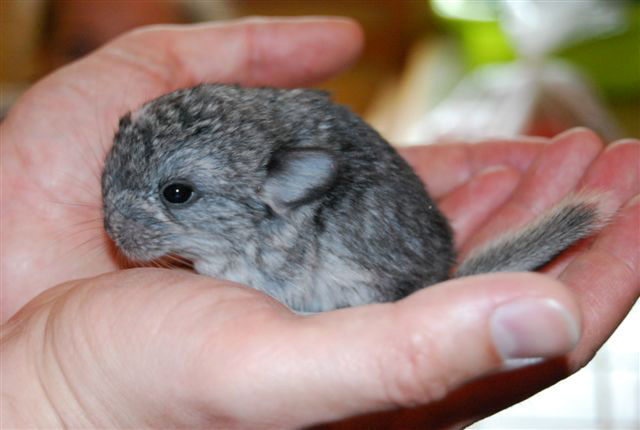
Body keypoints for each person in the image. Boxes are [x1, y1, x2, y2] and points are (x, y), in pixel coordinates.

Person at [1, 17, 637, 429]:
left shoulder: (291, 193)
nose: (121, 226)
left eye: (176, 195)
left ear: (282, 190)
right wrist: (55, 385)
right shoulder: (230, 162)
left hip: (378, 269)